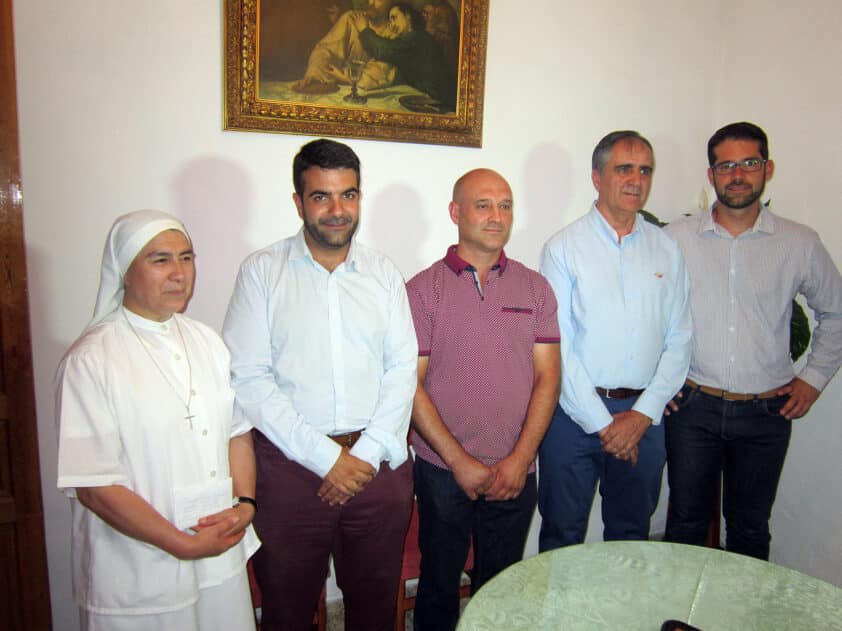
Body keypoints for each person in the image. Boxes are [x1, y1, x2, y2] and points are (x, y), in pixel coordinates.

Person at [223, 139, 417, 631]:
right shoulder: (262, 273)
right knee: (286, 610)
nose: (338, 210)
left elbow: (401, 370)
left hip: (377, 469)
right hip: (289, 471)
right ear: (298, 202)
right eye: (321, 197)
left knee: (375, 610)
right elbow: (248, 378)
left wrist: (366, 454)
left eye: (348, 195)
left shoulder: (383, 274)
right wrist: (328, 459)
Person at [56, 209, 259, 631]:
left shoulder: (208, 342)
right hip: (139, 567)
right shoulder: (92, 359)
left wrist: (245, 503)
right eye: (160, 259)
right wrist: (181, 545)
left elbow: (237, 433)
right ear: (124, 272)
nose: (179, 273)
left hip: (218, 551)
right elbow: (94, 485)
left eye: (186, 258)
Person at [663, 121, 842, 560]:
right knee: (685, 524)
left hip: (765, 413)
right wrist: (657, 382)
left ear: (768, 168)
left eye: (749, 163)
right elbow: (647, 312)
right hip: (693, 409)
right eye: (725, 166)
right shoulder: (676, 238)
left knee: (748, 529)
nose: (737, 174)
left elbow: (835, 313)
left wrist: (813, 378)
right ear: (711, 176)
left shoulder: (799, 242)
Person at [407, 169, 561, 631]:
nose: (496, 216)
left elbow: (548, 378)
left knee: (501, 585)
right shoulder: (422, 290)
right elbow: (408, 385)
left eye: (505, 205)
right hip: (442, 470)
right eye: (483, 205)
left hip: (515, 469)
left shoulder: (535, 289)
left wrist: (521, 458)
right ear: (456, 213)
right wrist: (458, 461)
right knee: (437, 584)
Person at [538, 131, 692, 551]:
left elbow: (680, 337)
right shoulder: (563, 248)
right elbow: (558, 346)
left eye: (645, 170)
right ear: (596, 177)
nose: (635, 180)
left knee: (630, 538)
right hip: (573, 416)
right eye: (623, 168)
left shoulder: (667, 249)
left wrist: (642, 415)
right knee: (562, 537)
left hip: (644, 415)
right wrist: (605, 426)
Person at [356, 3, 457, 111]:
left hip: (440, 105)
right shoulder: (411, 39)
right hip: (426, 100)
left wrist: (364, 30)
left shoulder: (418, 38)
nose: (392, 25)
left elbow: (384, 49)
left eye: (394, 18)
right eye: (389, 21)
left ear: (408, 16)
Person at [292, 0, 397, 94]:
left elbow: (381, 72)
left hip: (369, 93)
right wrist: (315, 72)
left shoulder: (394, 30)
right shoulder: (351, 18)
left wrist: (345, 76)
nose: (371, 3)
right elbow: (325, 49)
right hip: (337, 91)